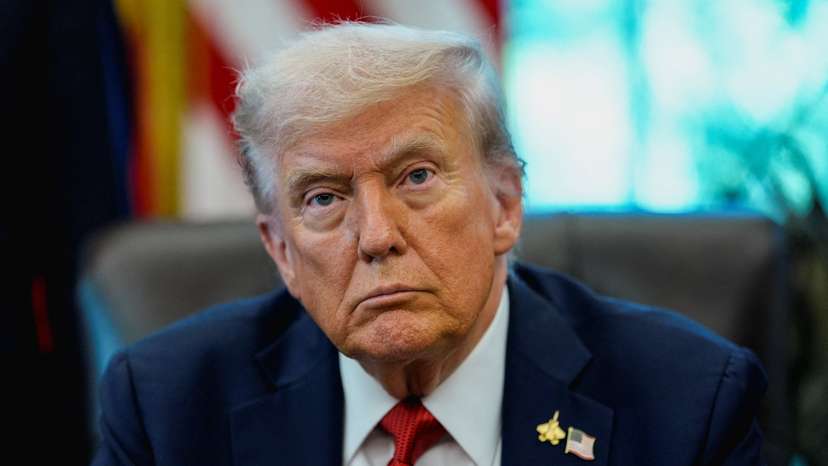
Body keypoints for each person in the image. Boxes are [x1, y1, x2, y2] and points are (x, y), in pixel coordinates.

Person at [92, 22, 767, 466]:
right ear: (280, 250)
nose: (378, 238)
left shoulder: (688, 405)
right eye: (324, 198)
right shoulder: (167, 408)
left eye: (416, 177)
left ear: (504, 204)